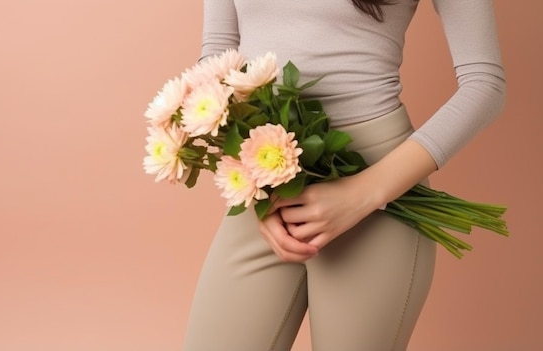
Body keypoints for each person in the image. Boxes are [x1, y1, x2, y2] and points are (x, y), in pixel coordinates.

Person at [183, 0, 506, 350]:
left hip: (380, 183)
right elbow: (216, 59)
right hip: (269, 178)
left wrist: (362, 196)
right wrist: (255, 179)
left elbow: (484, 85)